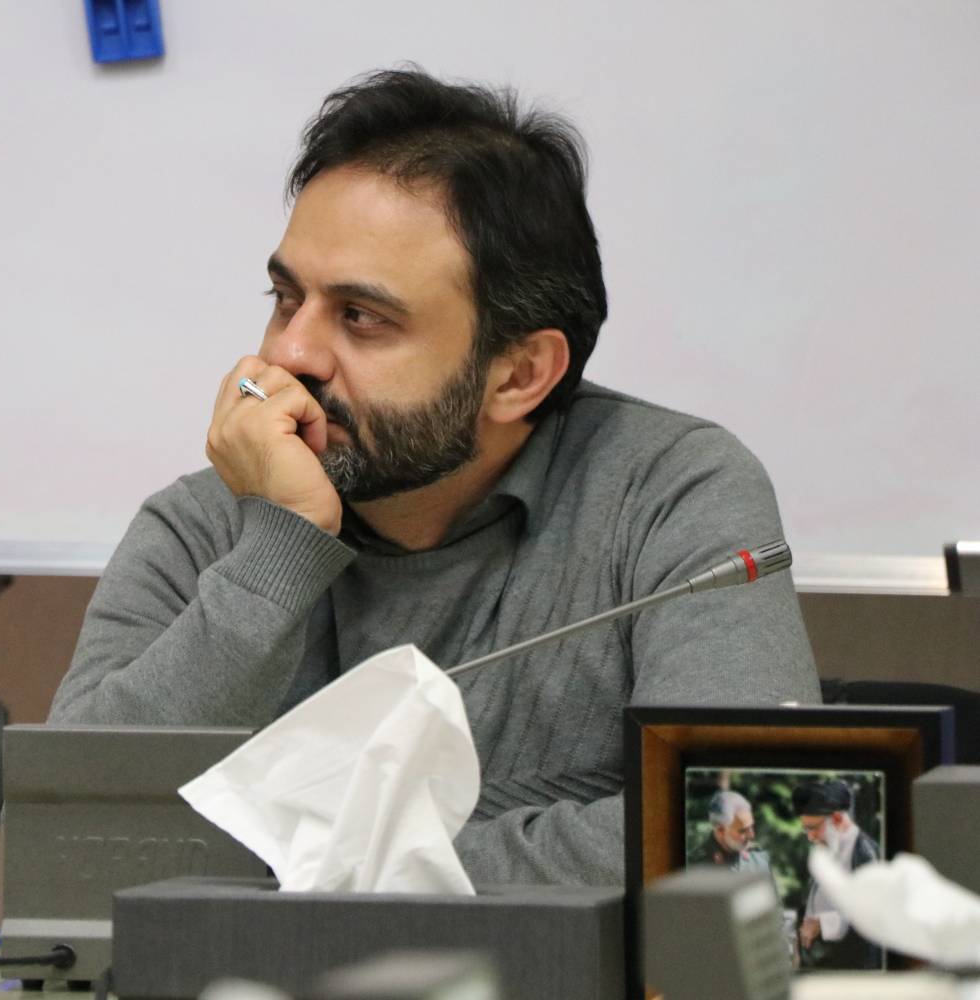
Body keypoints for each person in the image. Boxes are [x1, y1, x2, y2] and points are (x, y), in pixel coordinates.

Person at [48, 68, 820, 885]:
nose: (289, 354)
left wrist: (336, 874)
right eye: (285, 298)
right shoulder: (203, 526)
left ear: (519, 374)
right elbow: (63, 847)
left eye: (361, 317)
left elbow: (749, 839)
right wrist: (279, 554)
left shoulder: (669, 493)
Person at [795, 780, 882, 969]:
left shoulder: (865, 852)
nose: (810, 837)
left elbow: (870, 915)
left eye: (813, 828)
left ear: (836, 819)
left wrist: (822, 924)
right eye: (806, 829)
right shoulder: (828, 849)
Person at [690, 790, 771, 873]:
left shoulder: (758, 859)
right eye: (742, 831)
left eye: (751, 826)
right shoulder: (694, 867)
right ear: (721, 831)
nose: (751, 835)